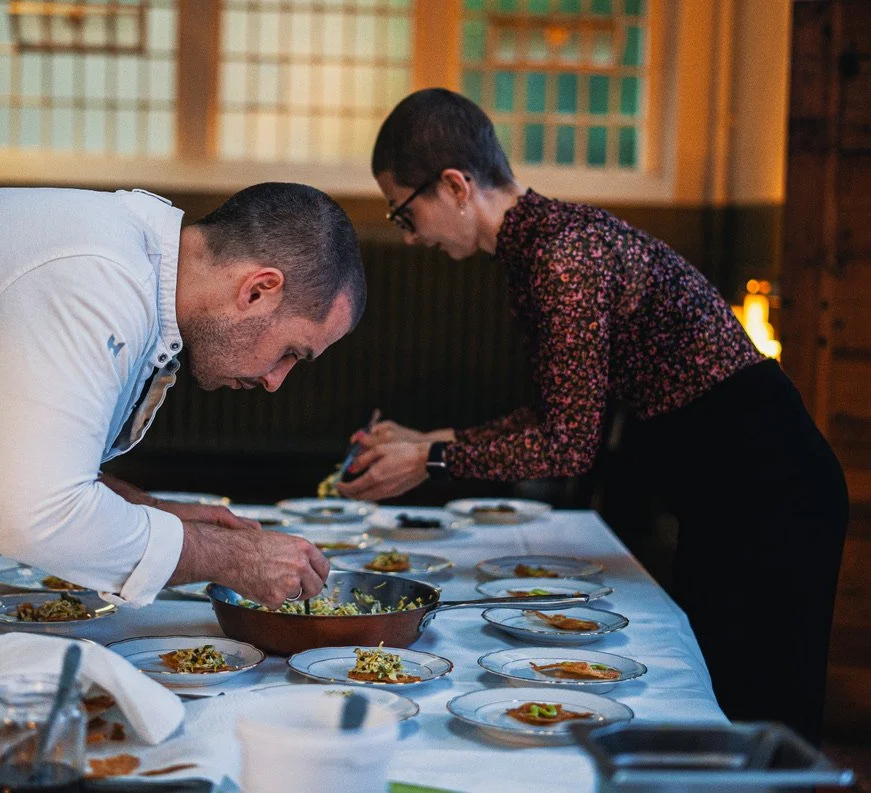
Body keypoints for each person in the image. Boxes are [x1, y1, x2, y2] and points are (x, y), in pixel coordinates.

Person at [338, 88, 847, 743]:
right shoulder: (537, 245)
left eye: (404, 213)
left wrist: (432, 459)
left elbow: (567, 445)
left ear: (455, 185)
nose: (409, 237)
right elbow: (559, 408)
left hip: (771, 491)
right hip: (725, 489)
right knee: (714, 701)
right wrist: (429, 437)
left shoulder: (559, 253)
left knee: (759, 716)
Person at [0, 182, 366, 644]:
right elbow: (42, 520)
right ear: (258, 289)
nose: (276, 381)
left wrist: (150, 512)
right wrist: (229, 557)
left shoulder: (124, 265)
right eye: (291, 352)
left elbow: (35, 460)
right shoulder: (96, 281)